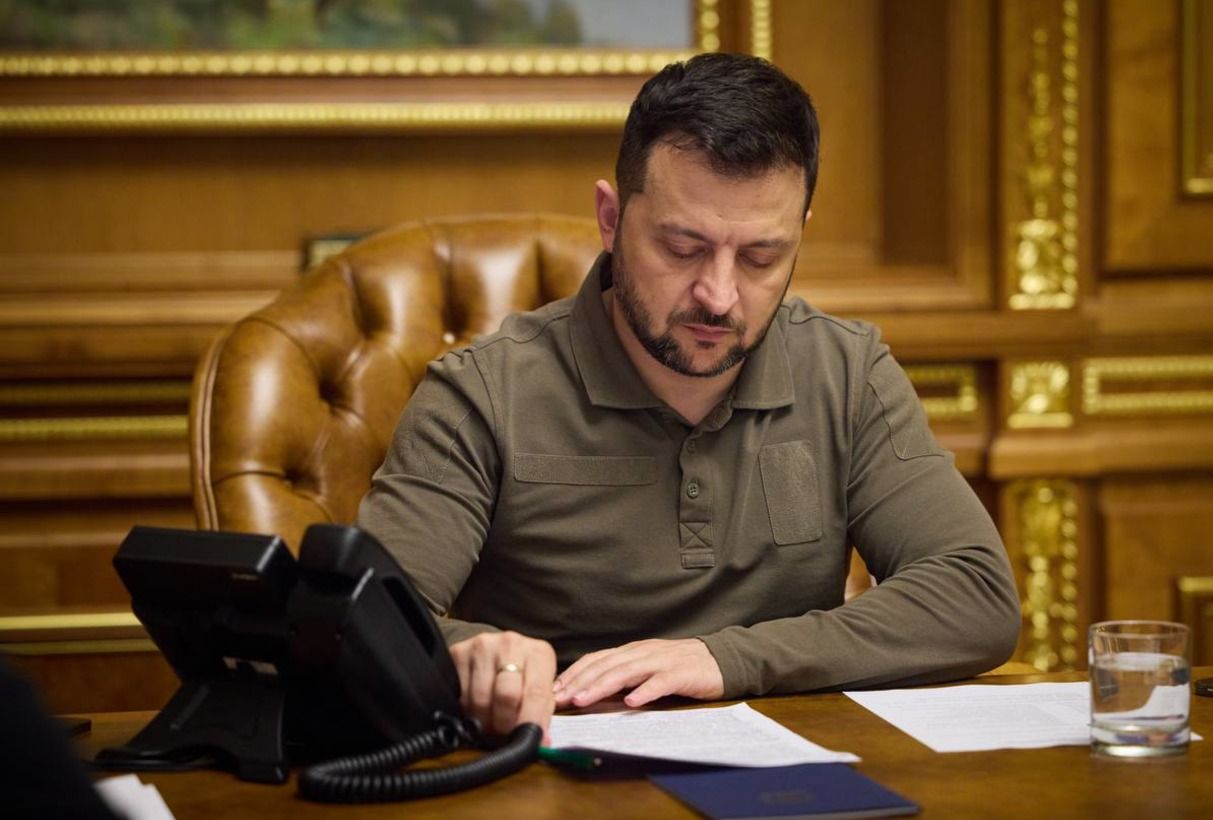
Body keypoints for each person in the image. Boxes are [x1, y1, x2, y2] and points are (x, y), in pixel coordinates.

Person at [356, 52, 1020, 740]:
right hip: (557, 762)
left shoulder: (846, 372)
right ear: (611, 218)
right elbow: (363, 624)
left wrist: (724, 659)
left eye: (761, 257)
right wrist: (472, 655)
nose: (719, 295)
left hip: (791, 770)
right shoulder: (481, 393)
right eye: (682, 247)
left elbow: (974, 594)